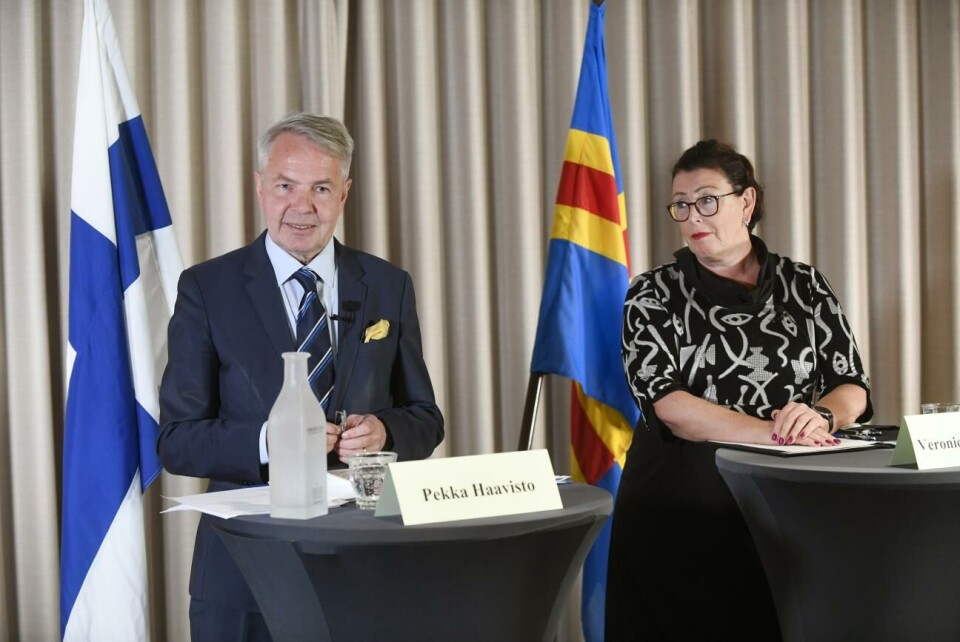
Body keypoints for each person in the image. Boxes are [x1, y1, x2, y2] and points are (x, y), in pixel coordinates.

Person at [158, 113, 444, 640]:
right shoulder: (207, 288)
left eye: (321, 188)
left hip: (366, 566)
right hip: (246, 572)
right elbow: (177, 441)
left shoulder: (387, 285)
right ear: (260, 187)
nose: (301, 207)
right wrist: (273, 441)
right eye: (286, 186)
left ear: (345, 193)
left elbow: (426, 420)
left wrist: (386, 433)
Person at [605, 139, 872, 641]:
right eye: (681, 205)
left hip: (790, 515)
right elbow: (671, 407)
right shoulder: (652, 292)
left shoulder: (805, 285)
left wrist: (821, 419)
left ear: (746, 202)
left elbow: (851, 384)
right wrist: (777, 432)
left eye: (707, 199)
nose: (691, 216)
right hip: (681, 519)